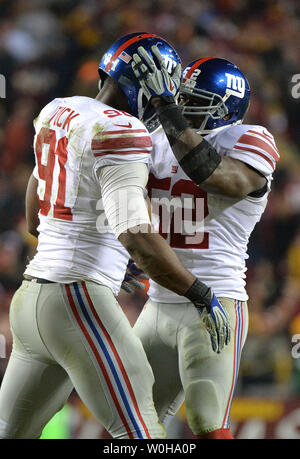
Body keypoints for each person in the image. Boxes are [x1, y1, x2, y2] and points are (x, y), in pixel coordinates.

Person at [0, 33, 230, 439]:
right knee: (142, 434)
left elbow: (36, 215)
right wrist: (199, 292)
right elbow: (136, 235)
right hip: (76, 300)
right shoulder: (123, 132)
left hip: (31, 299)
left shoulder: (58, 110)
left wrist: (94, 251)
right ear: (148, 88)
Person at [130, 47, 280, 439]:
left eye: (196, 102)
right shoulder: (157, 136)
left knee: (206, 421)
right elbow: (125, 203)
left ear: (227, 108)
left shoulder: (249, 139)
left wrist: (166, 108)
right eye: (181, 98)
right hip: (158, 301)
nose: (184, 107)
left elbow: (213, 175)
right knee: (132, 422)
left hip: (216, 299)